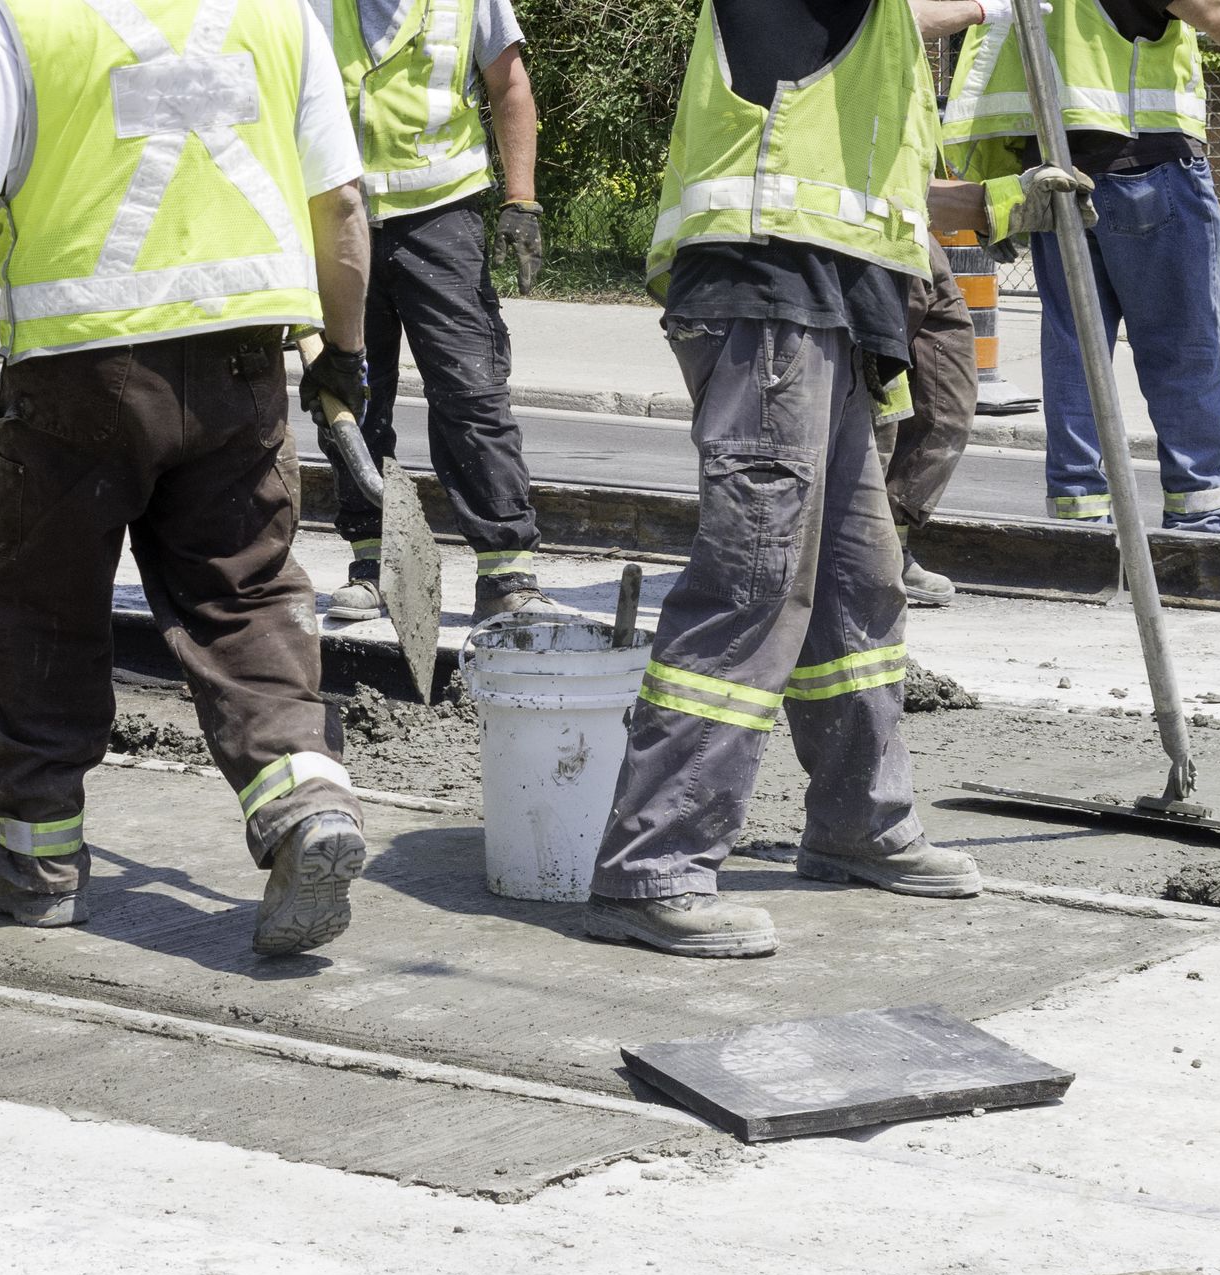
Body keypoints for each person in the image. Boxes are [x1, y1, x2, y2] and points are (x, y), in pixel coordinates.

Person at [0, 0, 374, 956]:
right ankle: (306, 800)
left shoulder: (22, 17)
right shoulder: (282, 15)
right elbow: (339, 204)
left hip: (78, 372)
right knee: (244, 592)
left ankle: (36, 861)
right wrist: (344, 350)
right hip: (240, 363)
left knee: (42, 603)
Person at [583, 0, 986, 961]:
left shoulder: (876, 36)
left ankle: (860, 823)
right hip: (766, 302)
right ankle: (654, 866)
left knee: (856, 590)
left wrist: (1006, 206)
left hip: (835, 310)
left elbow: (876, 188)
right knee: (754, 584)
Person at [943, 0, 1220, 532]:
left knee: (1076, 355)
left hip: (1052, 181)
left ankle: (1077, 519)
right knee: (1185, 351)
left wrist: (995, 189)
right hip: (1148, 169)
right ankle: (1196, 523)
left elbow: (988, 53)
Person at [312, 0, 564, 625]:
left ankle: (506, 573)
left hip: (440, 218)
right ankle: (373, 566)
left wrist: (521, 201)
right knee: (350, 392)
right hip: (337, 217)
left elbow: (509, 82)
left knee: (471, 391)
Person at [880, 0, 1097, 606]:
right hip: (840, 247)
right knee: (871, 416)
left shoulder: (904, 64)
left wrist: (999, 201)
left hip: (904, 235)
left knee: (947, 401)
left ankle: (890, 544)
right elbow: (880, 21)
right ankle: (851, 560)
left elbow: (901, 184)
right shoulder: (864, 25)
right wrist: (987, 6)